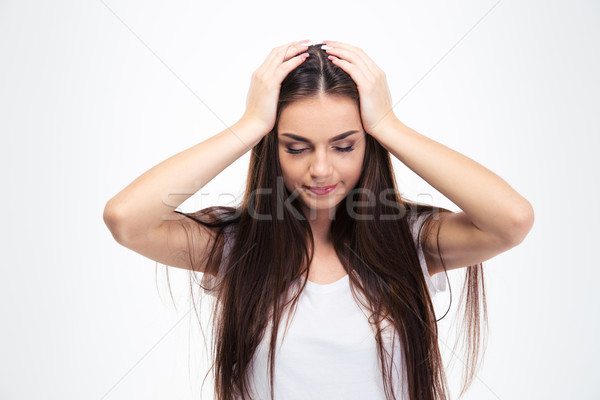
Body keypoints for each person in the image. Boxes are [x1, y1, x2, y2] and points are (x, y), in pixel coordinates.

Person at [103, 39, 534, 400]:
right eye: (296, 147)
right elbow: (126, 219)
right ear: (271, 149)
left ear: (369, 146)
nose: (321, 170)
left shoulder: (412, 240)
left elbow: (511, 220)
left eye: (344, 146)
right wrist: (250, 124)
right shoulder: (237, 246)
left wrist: (388, 124)